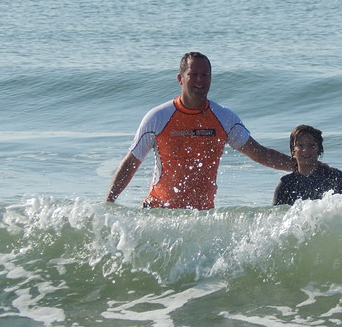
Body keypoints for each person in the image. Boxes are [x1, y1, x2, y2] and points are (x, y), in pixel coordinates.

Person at [106, 51, 296, 210]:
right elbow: (132, 162)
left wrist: (299, 166)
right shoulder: (158, 117)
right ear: (181, 78)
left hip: (201, 218)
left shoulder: (224, 117)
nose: (200, 80)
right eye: (193, 74)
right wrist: (108, 203)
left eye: (205, 75)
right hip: (159, 213)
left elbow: (259, 153)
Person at [273, 125, 342, 205]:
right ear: (293, 150)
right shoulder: (286, 184)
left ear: (319, 149)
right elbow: (276, 215)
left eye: (312, 145)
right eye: (300, 145)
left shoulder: (335, 177)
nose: (305, 150)